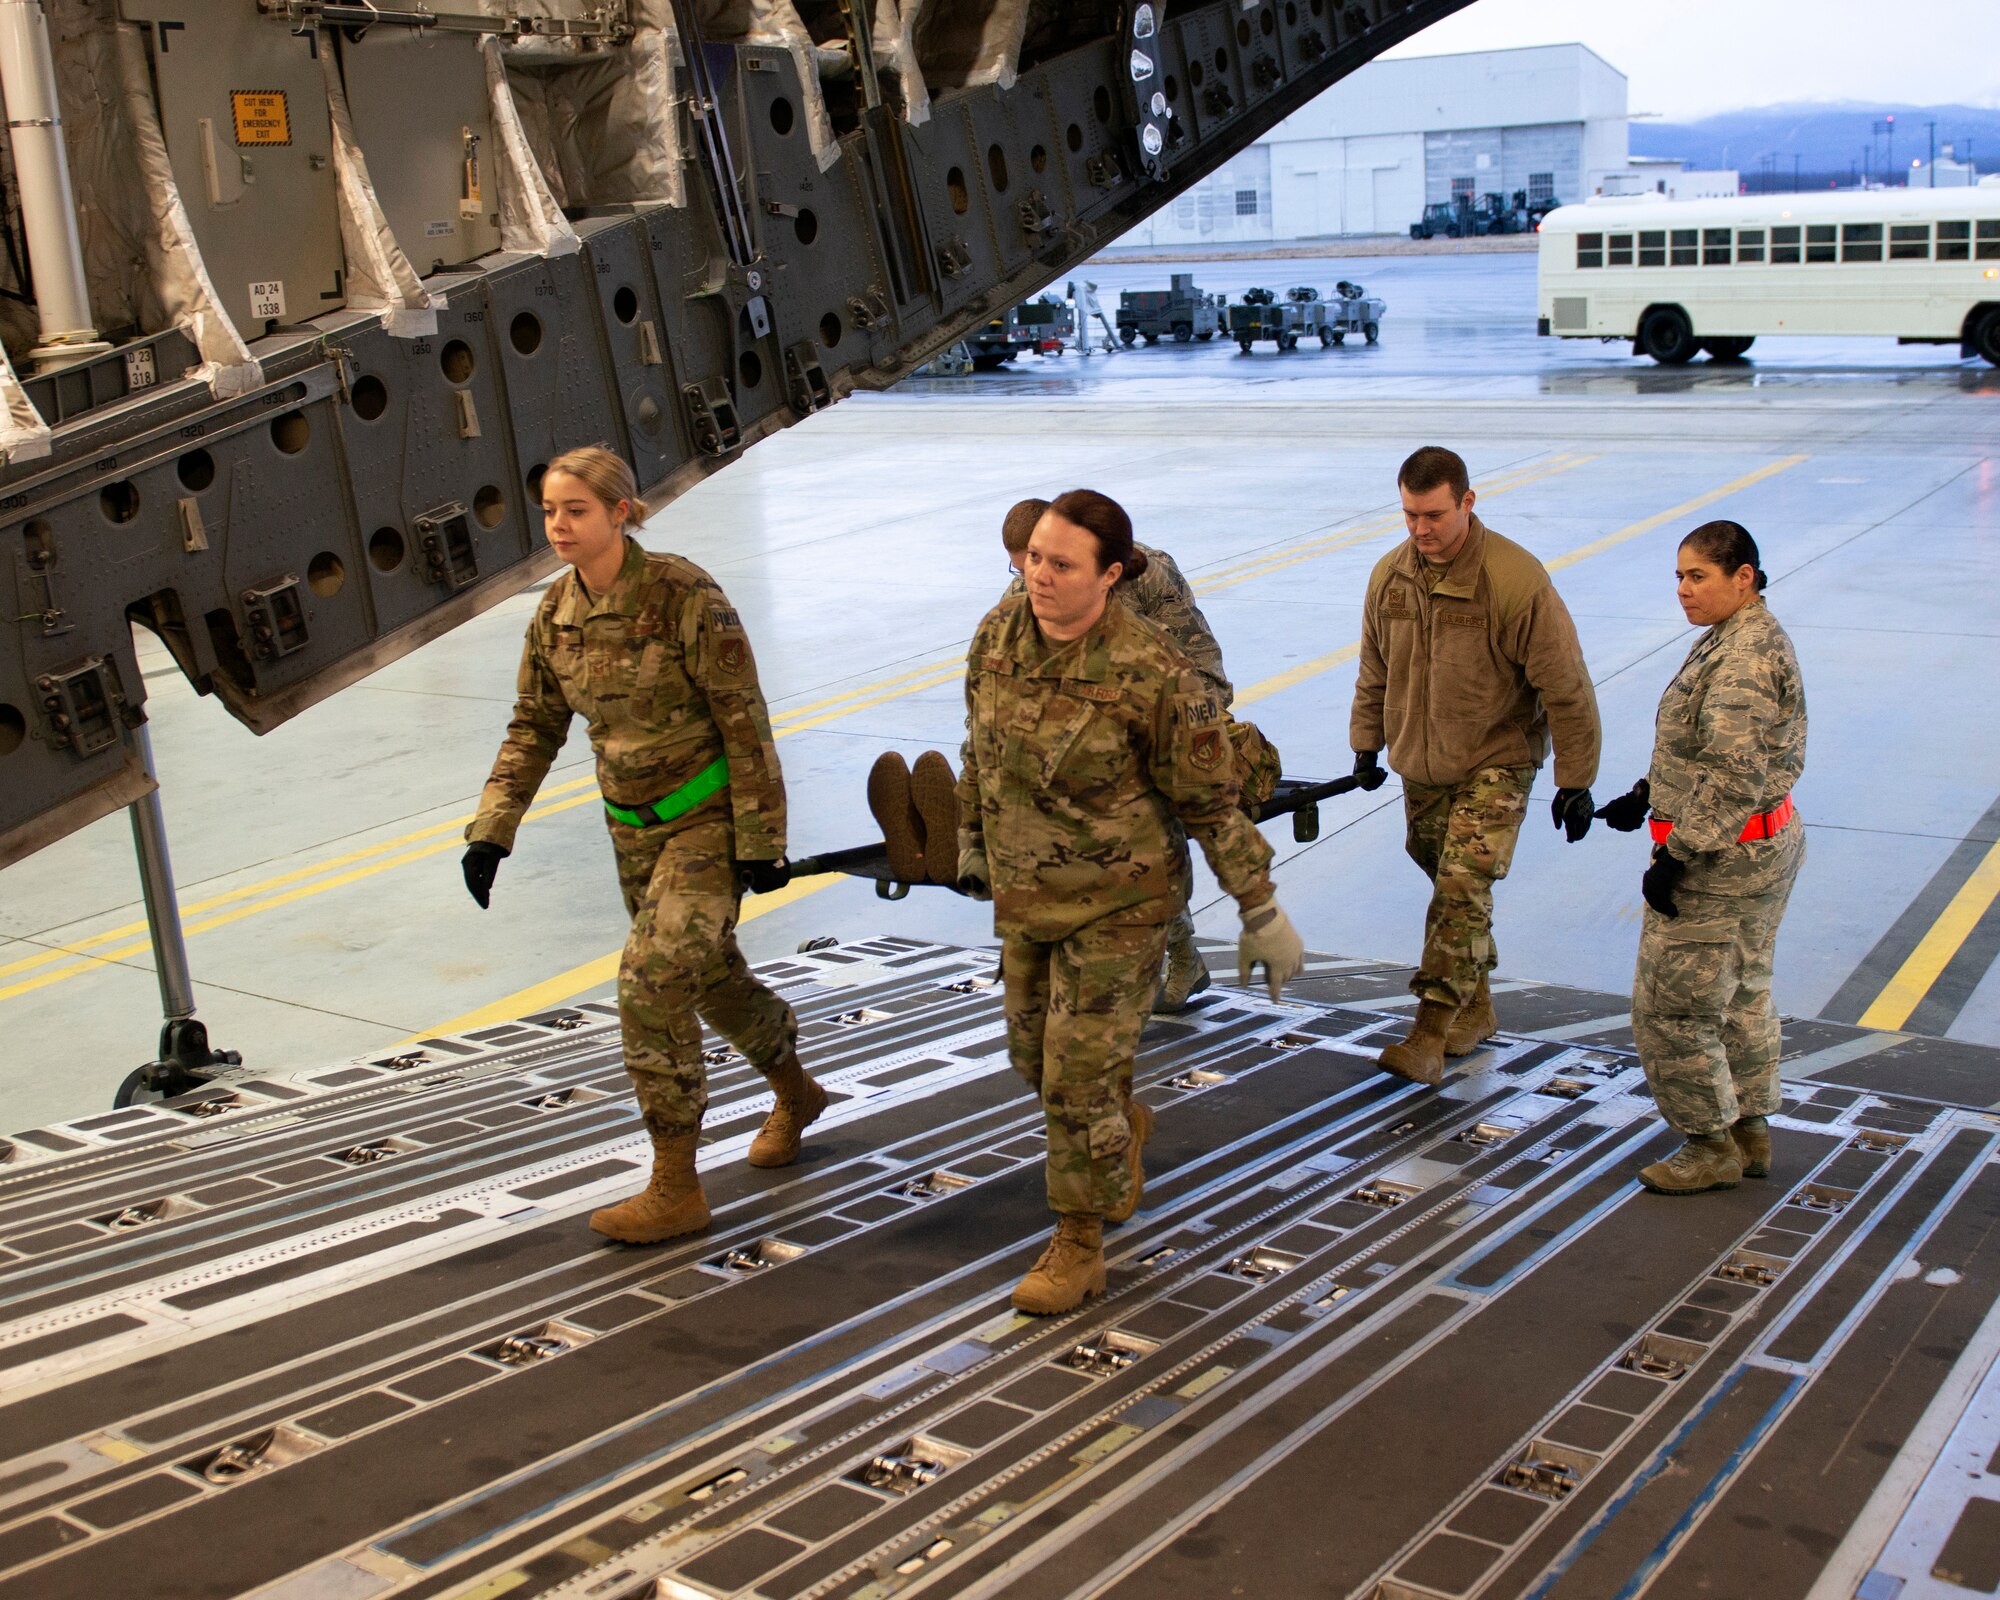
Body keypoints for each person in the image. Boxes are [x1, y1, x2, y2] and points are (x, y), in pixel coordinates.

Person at [460, 446, 826, 1244]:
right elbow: (535, 723)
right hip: (632, 831)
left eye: (576, 510)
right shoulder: (554, 613)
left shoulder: (682, 594)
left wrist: (762, 837)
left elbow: (742, 713)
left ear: (621, 512)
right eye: (551, 511)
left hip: (707, 823)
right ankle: (797, 1091)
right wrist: (493, 829)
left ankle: (675, 1185)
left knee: (651, 983)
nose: (558, 525)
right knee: (712, 981)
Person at [958, 489, 1305, 1316]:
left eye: (1061, 563)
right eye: (1034, 558)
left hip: (1124, 902)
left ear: (1110, 575)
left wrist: (1261, 908)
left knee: (1075, 1083)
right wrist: (974, 847)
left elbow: (1211, 800)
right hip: (1030, 897)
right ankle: (1122, 1127)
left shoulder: (1152, 670)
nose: (1039, 576)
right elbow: (979, 747)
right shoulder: (995, 637)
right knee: (1036, 1063)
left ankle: (1078, 1243)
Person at [1351, 445, 1601, 1086]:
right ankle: (1478, 1008)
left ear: (1467, 501)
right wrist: (1365, 744)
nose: (1420, 530)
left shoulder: (1515, 581)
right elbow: (1375, 668)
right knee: (1448, 882)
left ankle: (1429, 1034)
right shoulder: (1391, 576)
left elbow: (1566, 687)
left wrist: (1576, 781)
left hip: (1496, 758)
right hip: (1422, 762)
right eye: (1409, 515)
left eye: (1433, 514)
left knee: (1461, 889)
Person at [1595, 521, 1805, 1195]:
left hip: (1721, 862)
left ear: (1744, 576)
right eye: (1679, 577)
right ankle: (1749, 1131)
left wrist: (1676, 855)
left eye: (1699, 577)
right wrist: (1646, 795)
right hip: (1761, 847)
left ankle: (1709, 1143)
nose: (1684, 591)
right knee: (1741, 993)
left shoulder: (1741, 660)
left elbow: (1733, 776)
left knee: (1672, 1006)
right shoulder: (1740, 636)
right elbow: (1712, 754)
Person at [999, 497, 1232, 1012]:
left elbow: (1197, 675)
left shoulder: (1143, 575)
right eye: (1022, 568)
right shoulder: (1025, 592)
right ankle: (1170, 958)